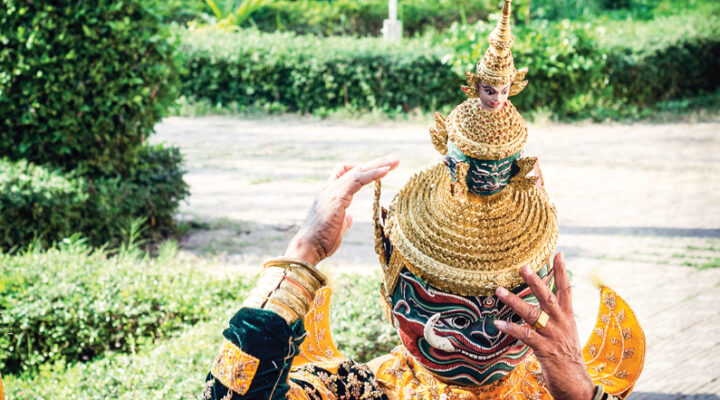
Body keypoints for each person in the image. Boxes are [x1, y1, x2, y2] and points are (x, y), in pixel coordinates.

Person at [203, 1, 645, 399]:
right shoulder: (359, 392)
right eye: (451, 311)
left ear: (547, 299)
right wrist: (304, 252)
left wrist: (578, 391)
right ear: (393, 293)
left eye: (507, 313)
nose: (483, 340)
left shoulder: (568, 387)